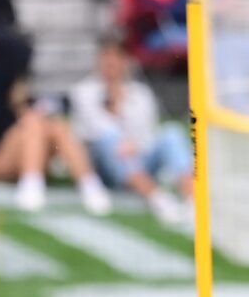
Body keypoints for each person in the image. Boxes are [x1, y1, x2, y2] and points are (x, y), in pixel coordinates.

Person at [0, 29, 110, 215]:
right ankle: (31, 183)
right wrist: (18, 111)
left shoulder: (23, 93)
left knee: (57, 126)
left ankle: (88, 183)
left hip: (25, 152)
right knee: (33, 123)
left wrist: (24, 108)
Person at [69, 33, 192, 224]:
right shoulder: (83, 92)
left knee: (172, 132)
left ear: (125, 61)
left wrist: (135, 145)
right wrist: (115, 107)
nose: (110, 63)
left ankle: (191, 199)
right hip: (105, 165)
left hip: (139, 157)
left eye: (115, 57)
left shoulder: (141, 94)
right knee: (111, 139)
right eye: (106, 56)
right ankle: (159, 199)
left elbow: (148, 135)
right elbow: (93, 133)